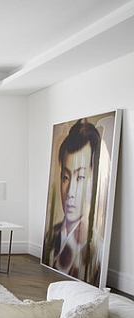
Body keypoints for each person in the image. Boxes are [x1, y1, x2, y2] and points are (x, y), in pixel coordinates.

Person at [44, 119, 101, 283]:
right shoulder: (50, 236)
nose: (70, 192)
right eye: (66, 177)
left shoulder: (96, 253)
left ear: (93, 179)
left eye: (81, 177)